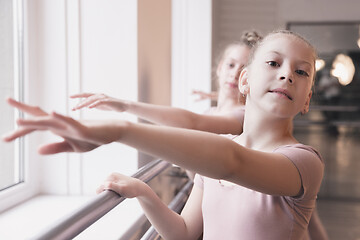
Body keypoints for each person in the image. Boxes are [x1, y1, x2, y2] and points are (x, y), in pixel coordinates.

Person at [3, 30, 325, 239]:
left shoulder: (303, 162)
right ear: (244, 81)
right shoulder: (215, 162)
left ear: (307, 98)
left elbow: (233, 163)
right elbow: (185, 233)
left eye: (301, 71)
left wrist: (118, 130)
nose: (286, 74)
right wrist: (144, 193)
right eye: (273, 62)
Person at [70, 31, 263, 136]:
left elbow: (193, 123)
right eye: (231, 65)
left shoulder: (242, 115)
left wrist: (125, 106)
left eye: (243, 70)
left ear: (250, 78)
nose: (234, 74)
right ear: (220, 67)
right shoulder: (211, 112)